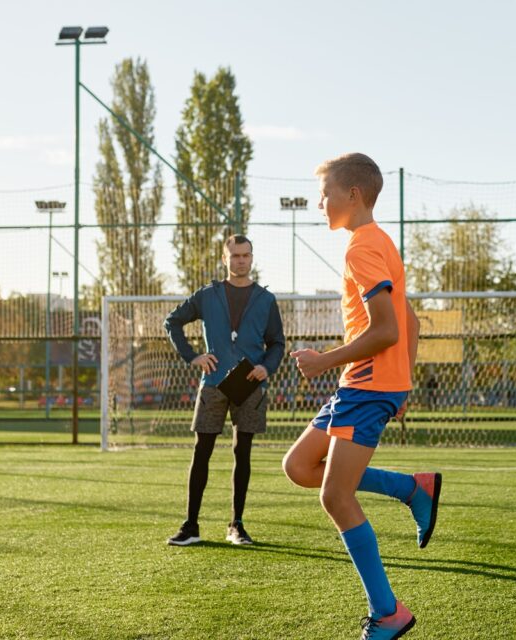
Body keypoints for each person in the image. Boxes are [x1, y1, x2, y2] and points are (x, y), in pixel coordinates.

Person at [281, 152, 437, 640]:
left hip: (366, 387)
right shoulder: (378, 241)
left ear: (352, 195)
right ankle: (413, 489)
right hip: (366, 385)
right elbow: (409, 322)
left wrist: (324, 359)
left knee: (335, 495)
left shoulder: (359, 249)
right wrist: (403, 380)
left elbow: (388, 328)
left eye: (324, 193)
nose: (318, 202)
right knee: (299, 467)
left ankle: (388, 612)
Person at [162, 235, 285, 546]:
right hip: (213, 382)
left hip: (250, 384)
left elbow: (277, 343)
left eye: (245, 255)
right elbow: (172, 322)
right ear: (224, 259)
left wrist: (266, 367)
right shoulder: (207, 295)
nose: (240, 261)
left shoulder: (265, 300)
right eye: (235, 256)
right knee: (201, 451)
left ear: (252, 258)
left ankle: (237, 526)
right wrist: (194, 356)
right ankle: (191, 526)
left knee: (242, 453)